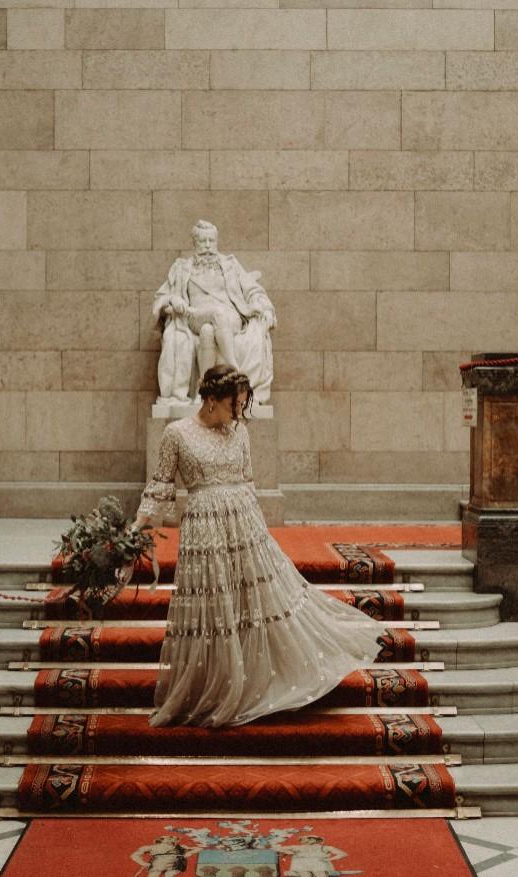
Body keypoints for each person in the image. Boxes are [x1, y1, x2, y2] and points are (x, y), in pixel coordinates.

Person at [135, 364, 384, 727]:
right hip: (204, 528)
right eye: (234, 404)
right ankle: (216, 685)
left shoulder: (239, 432)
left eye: (241, 405)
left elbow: (247, 479)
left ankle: (261, 680)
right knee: (213, 606)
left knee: (256, 603)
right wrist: (136, 526)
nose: (239, 413)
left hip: (246, 526)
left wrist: (258, 534)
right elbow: (160, 487)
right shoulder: (177, 433)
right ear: (211, 400)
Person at [151, 220, 275, 405]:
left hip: (231, 318)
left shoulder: (230, 264)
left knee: (209, 329)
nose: (208, 246)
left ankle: (204, 391)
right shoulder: (181, 267)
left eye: (211, 241)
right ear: (194, 243)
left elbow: (252, 290)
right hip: (195, 317)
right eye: (203, 241)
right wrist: (172, 300)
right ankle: (235, 371)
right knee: (211, 321)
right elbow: (162, 298)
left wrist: (262, 305)